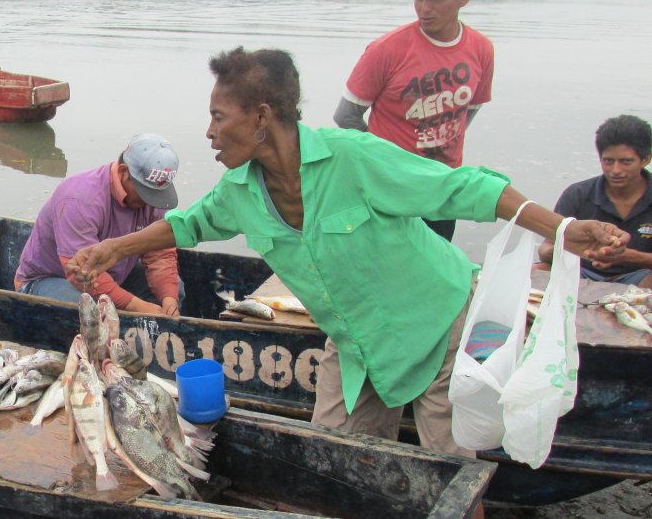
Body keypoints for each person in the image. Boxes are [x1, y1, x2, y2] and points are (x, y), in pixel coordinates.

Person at [68, 48, 626, 480]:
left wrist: (563, 228)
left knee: (451, 472)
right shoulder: (238, 189)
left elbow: (465, 189)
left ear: (262, 116)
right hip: (356, 342)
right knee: (330, 458)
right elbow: (185, 224)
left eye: (218, 117)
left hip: (437, 326)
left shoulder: (352, 158)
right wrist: (112, 250)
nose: (209, 132)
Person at [333, 0, 494, 241]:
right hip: (389, 187)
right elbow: (346, 116)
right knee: (385, 268)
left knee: (436, 267)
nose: (424, 7)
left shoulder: (481, 49)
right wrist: (383, 157)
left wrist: (438, 144)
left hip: (442, 187)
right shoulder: (387, 49)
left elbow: (472, 107)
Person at [14, 133, 186, 316]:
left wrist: (169, 301)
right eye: (145, 193)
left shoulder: (153, 201)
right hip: (49, 280)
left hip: (114, 276)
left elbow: (160, 254)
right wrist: (137, 306)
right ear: (122, 172)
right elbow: (81, 272)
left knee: (176, 288)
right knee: (89, 307)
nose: (150, 201)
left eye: (155, 194)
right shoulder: (78, 199)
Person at [539, 115, 652, 287]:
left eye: (626, 162)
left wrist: (625, 256)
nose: (616, 170)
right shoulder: (577, 194)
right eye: (608, 161)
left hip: (639, 277)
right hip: (581, 272)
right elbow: (545, 248)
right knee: (539, 271)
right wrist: (569, 251)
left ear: (646, 160)